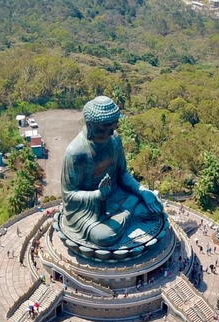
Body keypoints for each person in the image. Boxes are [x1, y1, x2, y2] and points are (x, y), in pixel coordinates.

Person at [57, 96, 163, 247]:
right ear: (90, 125)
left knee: (155, 207)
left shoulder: (115, 140)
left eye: (114, 127)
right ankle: (129, 210)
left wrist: (142, 191)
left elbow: (123, 174)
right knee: (103, 237)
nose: (111, 132)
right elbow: (69, 194)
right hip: (89, 210)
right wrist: (98, 195)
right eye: (104, 128)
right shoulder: (76, 152)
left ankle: (125, 212)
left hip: (116, 195)